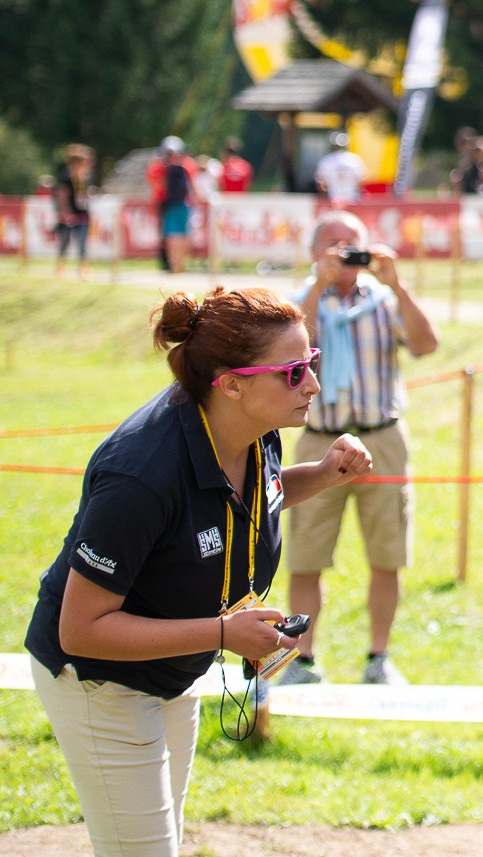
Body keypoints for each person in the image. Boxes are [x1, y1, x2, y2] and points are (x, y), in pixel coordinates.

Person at [24, 287, 371, 855]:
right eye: (291, 372)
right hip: (97, 679)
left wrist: (326, 473)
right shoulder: (139, 475)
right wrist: (222, 633)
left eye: (310, 363)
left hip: (173, 666)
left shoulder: (253, 429)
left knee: (162, 842)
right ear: (230, 383)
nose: (311, 384)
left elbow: (261, 496)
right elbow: (80, 629)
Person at [281, 212, 439, 685]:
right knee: (306, 555)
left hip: (381, 438)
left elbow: (427, 344)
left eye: (354, 243)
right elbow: (290, 349)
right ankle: (302, 661)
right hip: (320, 441)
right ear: (314, 253)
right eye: (333, 243)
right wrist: (318, 286)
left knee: (387, 553)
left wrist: (398, 283)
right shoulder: (297, 303)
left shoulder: (385, 301)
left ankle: (379, 658)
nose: (344, 251)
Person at [154, 136, 200, 273]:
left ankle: (174, 266)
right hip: (185, 204)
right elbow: (193, 186)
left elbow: (158, 187)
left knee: (171, 235)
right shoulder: (188, 165)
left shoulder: (160, 167)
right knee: (183, 235)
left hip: (169, 205)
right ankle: (181, 266)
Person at [52, 144, 93, 279]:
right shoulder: (66, 176)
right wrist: (66, 213)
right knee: (65, 241)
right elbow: (62, 195)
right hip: (69, 215)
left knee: (82, 242)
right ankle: (60, 267)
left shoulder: (85, 176)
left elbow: (83, 195)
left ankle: (83, 268)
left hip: (82, 213)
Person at [314, 130, 366, 208]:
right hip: (353, 199)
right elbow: (362, 180)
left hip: (333, 200)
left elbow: (320, 183)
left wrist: (326, 194)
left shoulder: (326, 160)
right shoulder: (355, 159)